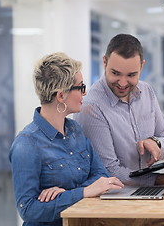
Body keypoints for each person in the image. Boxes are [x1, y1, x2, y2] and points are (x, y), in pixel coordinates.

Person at [9, 52, 124, 226]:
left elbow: (101, 175)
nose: (84, 94)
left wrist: (67, 194)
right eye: (81, 87)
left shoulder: (75, 129)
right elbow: (28, 209)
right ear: (61, 96)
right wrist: (83, 192)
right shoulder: (26, 144)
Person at [74, 34, 164, 187]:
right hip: (115, 196)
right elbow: (110, 170)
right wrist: (161, 179)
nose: (122, 83)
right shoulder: (91, 107)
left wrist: (155, 143)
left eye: (131, 75)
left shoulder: (146, 91)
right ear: (104, 62)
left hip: (145, 192)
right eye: (115, 73)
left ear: (141, 66)